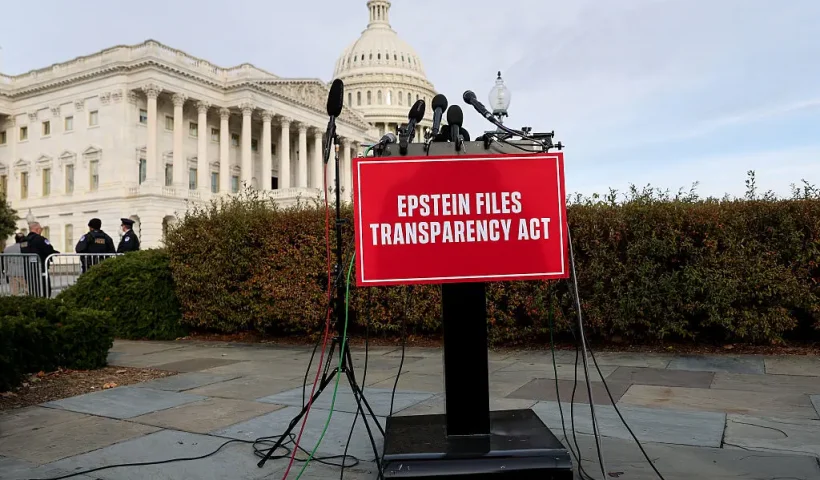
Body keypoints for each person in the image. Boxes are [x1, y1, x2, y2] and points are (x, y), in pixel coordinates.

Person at [20, 222, 59, 296]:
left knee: (33, 290)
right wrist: (55, 253)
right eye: (41, 229)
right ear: (37, 229)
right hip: (40, 269)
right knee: (44, 290)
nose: (41, 231)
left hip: (28, 270)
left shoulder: (23, 241)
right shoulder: (40, 239)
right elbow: (49, 250)